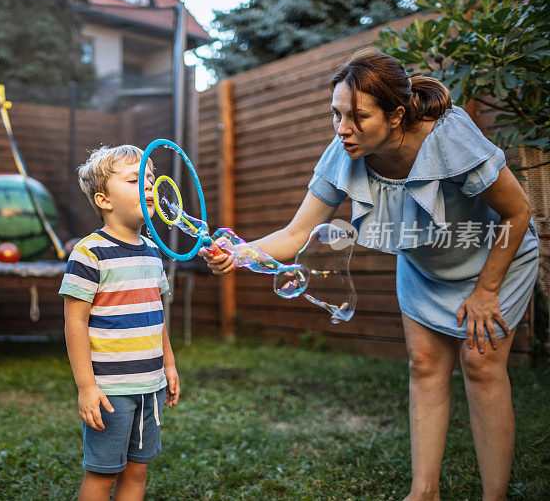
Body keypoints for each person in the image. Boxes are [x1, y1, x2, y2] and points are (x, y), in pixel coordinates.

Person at [201, 50, 539, 500]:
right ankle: (424, 493)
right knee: (424, 365)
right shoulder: (345, 151)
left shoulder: (451, 137)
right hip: (424, 260)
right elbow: (298, 232)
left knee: (480, 365)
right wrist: (240, 252)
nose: (342, 129)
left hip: (496, 257)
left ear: (397, 115)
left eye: (357, 117)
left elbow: (517, 213)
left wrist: (487, 290)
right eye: (336, 114)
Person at [59, 144, 181, 501]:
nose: (148, 186)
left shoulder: (153, 251)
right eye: (134, 179)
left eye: (151, 179)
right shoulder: (88, 253)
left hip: (150, 385)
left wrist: (169, 365)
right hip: (110, 391)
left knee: (138, 472)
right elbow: (74, 323)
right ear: (104, 200)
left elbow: (156, 317)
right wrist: (86, 387)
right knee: (101, 477)